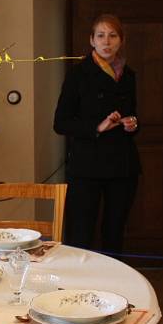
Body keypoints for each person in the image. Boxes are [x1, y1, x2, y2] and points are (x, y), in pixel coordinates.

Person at [53, 14, 140, 254]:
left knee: (115, 232)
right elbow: (60, 123)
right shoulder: (78, 74)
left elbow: (133, 113)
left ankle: (113, 287)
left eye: (113, 36)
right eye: (101, 35)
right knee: (80, 232)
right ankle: (78, 287)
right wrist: (97, 127)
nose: (107, 41)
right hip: (86, 167)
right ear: (92, 40)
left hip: (122, 166)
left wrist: (133, 124)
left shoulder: (128, 75)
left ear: (120, 41)